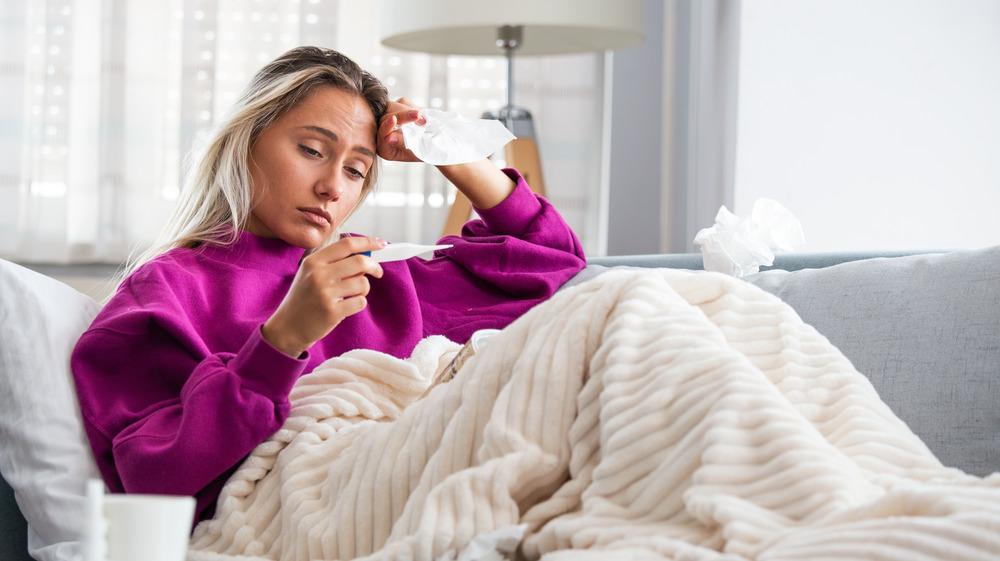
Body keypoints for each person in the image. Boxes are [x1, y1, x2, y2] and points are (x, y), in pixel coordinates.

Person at [70, 46, 586, 524]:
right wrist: (281, 343)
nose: (333, 186)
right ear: (246, 138)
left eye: (357, 170)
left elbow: (556, 263)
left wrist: (453, 154)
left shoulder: (370, 274)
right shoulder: (167, 293)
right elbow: (150, 481)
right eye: (313, 150)